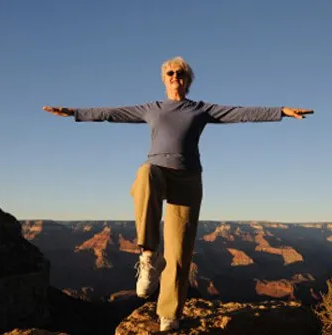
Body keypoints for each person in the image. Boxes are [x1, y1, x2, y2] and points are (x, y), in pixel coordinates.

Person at [42, 56, 313, 331]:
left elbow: (240, 112)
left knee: (179, 251)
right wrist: (75, 112)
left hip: (188, 179)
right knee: (145, 174)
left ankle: (169, 314)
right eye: (170, 73)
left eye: (180, 73)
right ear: (164, 78)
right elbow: (112, 113)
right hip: (159, 172)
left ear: (188, 80)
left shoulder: (200, 109)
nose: (175, 76)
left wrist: (281, 111)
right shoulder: (152, 108)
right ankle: (148, 256)